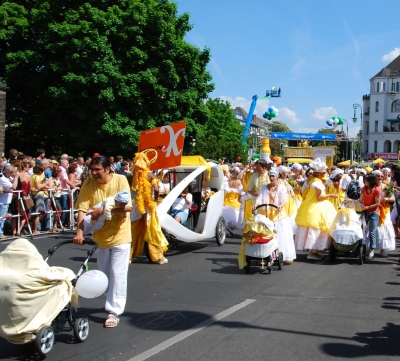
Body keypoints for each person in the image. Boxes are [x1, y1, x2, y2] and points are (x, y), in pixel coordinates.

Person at [73, 155, 132, 328]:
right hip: (100, 236)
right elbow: (82, 209)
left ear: (107, 169)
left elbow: (127, 206)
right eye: (92, 170)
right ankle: (111, 299)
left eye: (98, 170)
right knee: (105, 274)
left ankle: (114, 312)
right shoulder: (88, 182)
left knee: (117, 274)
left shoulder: (120, 180)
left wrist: (102, 209)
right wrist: (79, 232)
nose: (94, 173)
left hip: (120, 234)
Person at [295, 158, 338, 260]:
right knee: (317, 227)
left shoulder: (311, 181)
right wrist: (330, 195)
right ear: (319, 173)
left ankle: (314, 251)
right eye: (323, 173)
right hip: (316, 206)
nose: (324, 174)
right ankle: (313, 251)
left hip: (310, 205)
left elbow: (305, 192)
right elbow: (319, 197)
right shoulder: (317, 183)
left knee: (313, 227)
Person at [254, 168, 296, 264]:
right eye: (270, 176)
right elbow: (260, 198)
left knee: (279, 234)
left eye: (273, 176)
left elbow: (285, 199)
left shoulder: (281, 187)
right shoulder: (265, 187)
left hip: (278, 214)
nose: (271, 178)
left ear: (277, 177)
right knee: (266, 234)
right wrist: (255, 205)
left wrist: (280, 206)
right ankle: (265, 254)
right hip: (266, 213)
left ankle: (281, 255)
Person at [372, 170, 395, 258]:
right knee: (373, 228)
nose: (380, 178)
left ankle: (383, 249)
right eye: (378, 176)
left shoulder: (387, 187)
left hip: (385, 210)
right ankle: (371, 248)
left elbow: (393, 198)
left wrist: (387, 199)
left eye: (381, 176)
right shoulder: (371, 187)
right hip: (374, 209)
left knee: (384, 229)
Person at [360, 173, 381, 260]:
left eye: (366, 180)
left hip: (374, 213)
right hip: (364, 212)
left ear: (371, 181)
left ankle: (372, 250)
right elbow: (360, 200)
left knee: (372, 232)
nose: (364, 181)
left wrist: (367, 207)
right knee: (362, 231)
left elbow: (377, 203)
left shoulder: (377, 190)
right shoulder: (363, 189)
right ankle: (362, 248)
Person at [221, 167, 243, 232]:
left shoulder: (227, 182)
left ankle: (226, 227)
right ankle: (230, 228)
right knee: (235, 219)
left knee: (224, 217)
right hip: (235, 203)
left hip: (226, 202)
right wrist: (240, 199)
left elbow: (224, 192)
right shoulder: (239, 182)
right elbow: (241, 193)